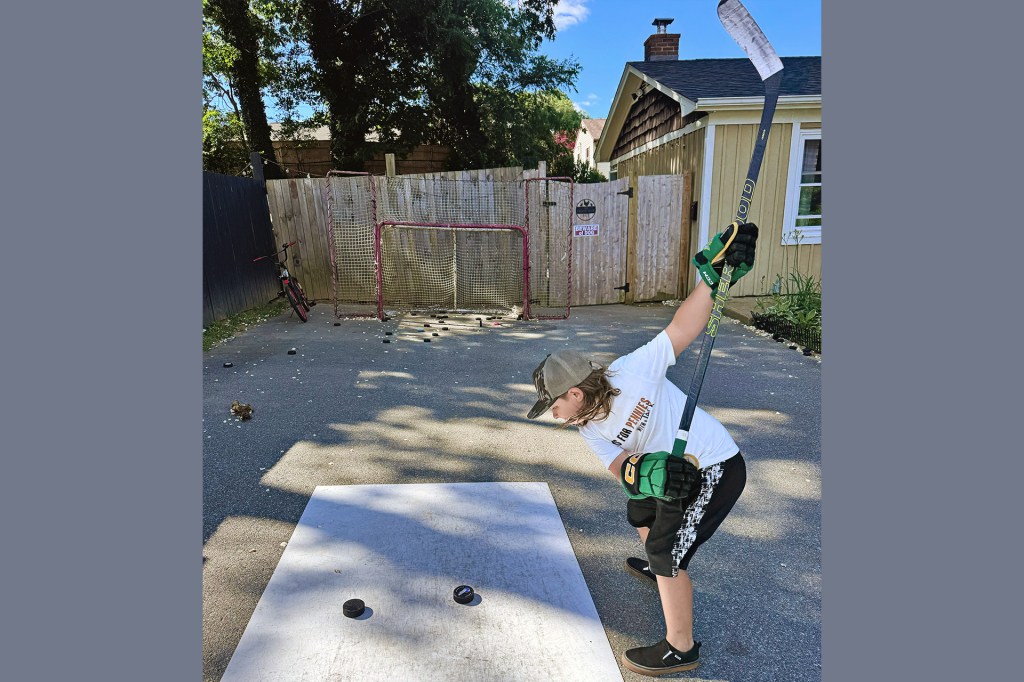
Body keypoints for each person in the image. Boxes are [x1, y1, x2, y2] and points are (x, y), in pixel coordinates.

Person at [526, 222, 758, 676]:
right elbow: (619, 466)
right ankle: (661, 574)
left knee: (668, 554)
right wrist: (642, 472)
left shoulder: (632, 371)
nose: (553, 416)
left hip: (713, 466)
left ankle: (680, 647)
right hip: (671, 472)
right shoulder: (587, 426)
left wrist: (714, 279)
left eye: (553, 405)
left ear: (574, 392)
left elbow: (684, 326)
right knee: (640, 511)